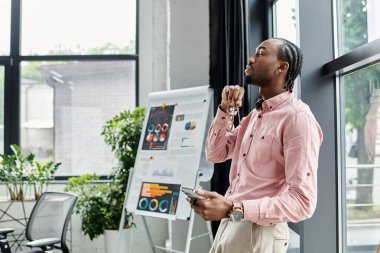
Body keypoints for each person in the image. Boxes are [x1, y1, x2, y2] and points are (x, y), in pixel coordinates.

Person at [187, 38, 323, 253]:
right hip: (231, 223)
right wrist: (226, 109)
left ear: (281, 67)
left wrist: (234, 208)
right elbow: (215, 153)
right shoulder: (254, 117)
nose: (250, 59)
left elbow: (302, 203)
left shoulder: (297, 118)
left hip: (259, 232)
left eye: (260, 54)